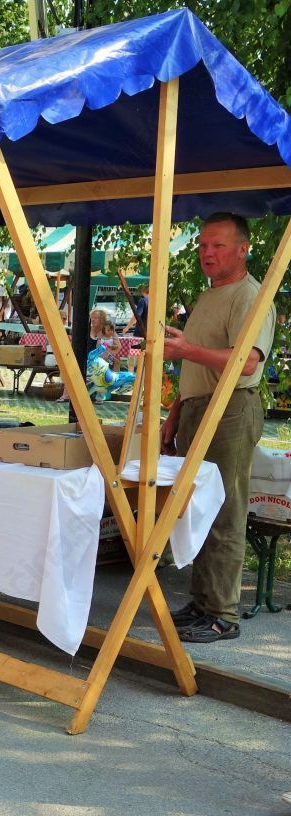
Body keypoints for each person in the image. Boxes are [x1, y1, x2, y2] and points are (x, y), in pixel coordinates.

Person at [161, 212, 276, 642]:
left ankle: (222, 614)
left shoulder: (250, 295)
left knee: (225, 510)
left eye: (218, 245)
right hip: (199, 407)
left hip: (230, 410)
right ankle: (202, 602)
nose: (207, 253)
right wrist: (175, 412)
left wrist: (186, 349)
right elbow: (198, 365)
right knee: (199, 507)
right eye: (203, 245)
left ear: (243, 249)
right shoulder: (211, 294)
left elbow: (246, 362)